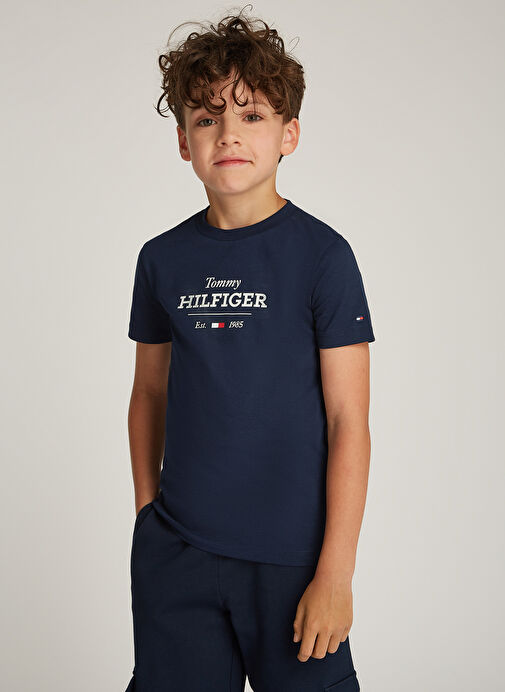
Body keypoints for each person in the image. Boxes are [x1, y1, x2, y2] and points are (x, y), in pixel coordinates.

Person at [124, 10, 375, 692]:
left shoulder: (323, 257)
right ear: (184, 141)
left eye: (252, 115)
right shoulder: (161, 259)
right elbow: (149, 392)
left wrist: (335, 573)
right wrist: (149, 516)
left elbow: (348, 421)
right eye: (207, 118)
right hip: (178, 554)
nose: (228, 134)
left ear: (289, 133)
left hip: (292, 560)